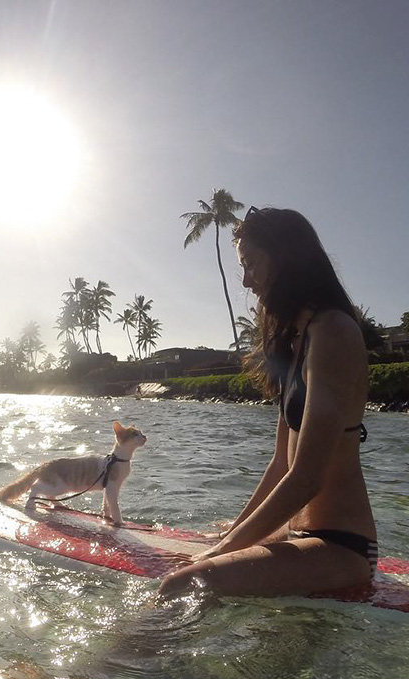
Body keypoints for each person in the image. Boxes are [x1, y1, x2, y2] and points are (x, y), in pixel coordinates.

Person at [159, 206, 377, 599]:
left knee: (183, 585)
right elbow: (281, 464)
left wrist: (221, 551)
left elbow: (307, 478)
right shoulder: (299, 341)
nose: (245, 280)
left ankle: (100, 665)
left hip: (341, 545)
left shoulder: (334, 333)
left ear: (286, 258)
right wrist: (232, 533)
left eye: (251, 264)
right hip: (298, 533)